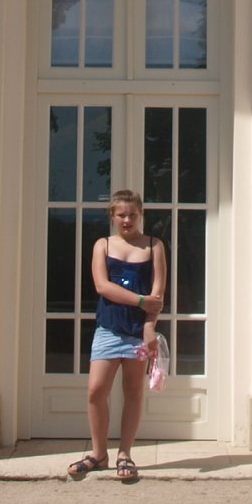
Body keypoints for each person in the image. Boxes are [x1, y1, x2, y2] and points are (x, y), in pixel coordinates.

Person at [69, 187, 168, 482]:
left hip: (139, 333)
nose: (127, 220)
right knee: (96, 390)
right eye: (121, 215)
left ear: (141, 215)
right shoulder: (103, 245)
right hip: (108, 329)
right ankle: (99, 453)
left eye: (133, 215)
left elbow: (158, 293)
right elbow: (102, 286)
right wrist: (139, 301)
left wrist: (149, 326)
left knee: (134, 391)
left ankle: (125, 454)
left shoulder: (154, 246)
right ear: (112, 216)